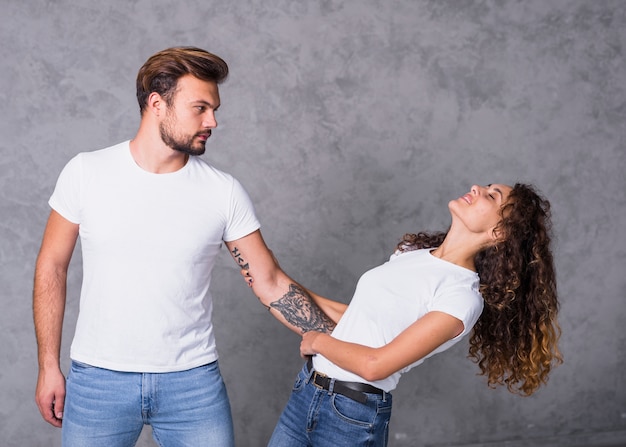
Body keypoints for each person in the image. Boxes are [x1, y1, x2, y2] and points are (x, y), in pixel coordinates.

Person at [33, 46, 335, 447]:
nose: (212, 121)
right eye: (200, 108)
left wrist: (344, 338)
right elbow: (51, 267)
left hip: (192, 383)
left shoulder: (223, 191)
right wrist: (48, 365)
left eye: (215, 109)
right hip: (98, 379)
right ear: (157, 104)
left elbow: (270, 281)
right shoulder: (86, 172)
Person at [241, 182, 563, 447]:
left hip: (351, 417)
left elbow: (376, 364)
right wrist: (278, 282)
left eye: (492, 196)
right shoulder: (413, 253)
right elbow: (360, 319)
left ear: (499, 233)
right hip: (306, 393)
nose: (477, 188)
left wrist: (318, 342)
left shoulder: (461, 297)